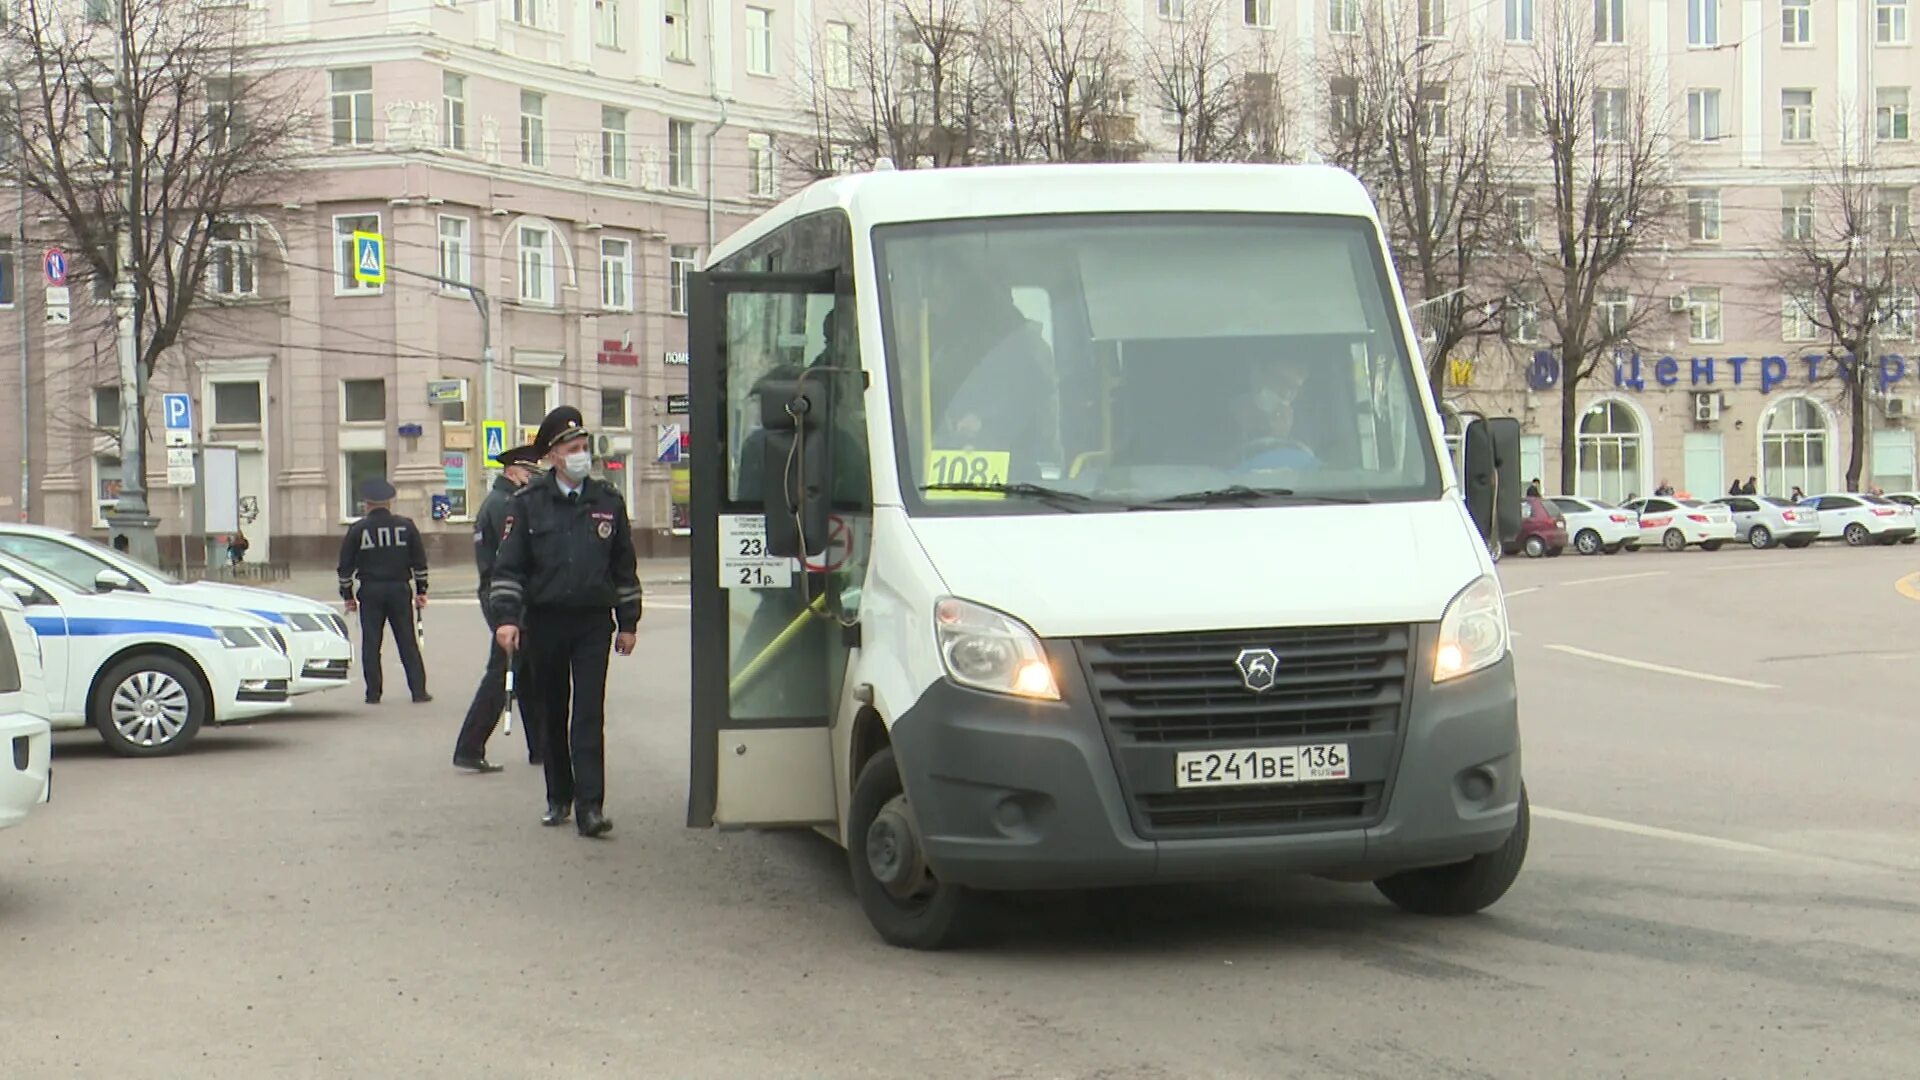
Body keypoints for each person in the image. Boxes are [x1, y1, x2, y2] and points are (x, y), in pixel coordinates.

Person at [489, 406, 642, 839]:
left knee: (588, 713)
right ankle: (560, 797)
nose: (581, 456)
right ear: (554, 455)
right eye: (572, 449)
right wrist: (506, 619)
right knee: (552, 711)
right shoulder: (528, 504)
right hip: (546, 621)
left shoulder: (607, 500)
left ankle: (591, 807)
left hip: (593, 622)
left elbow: (624, 566)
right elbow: (509, 568)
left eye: (584, 448)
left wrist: (628, 621)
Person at [452, 442, 547, 774]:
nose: (533, 479)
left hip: (500, 594)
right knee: (502, 671)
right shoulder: (507, 505)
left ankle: (541, 747)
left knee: (528, 673)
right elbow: (511, 558)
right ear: (512, 472)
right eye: (528, 472)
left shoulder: (498, 502)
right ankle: (469, 746)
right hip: (507, 597)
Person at [337, 477, 431, 705]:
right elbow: (419, 562)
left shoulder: (358, 529)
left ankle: (373, 693)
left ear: (367, 504)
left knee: (371, 643)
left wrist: (348, 596)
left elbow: (345, 567)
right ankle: (418, 691)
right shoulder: (406, 526)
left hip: (370, 591)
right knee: (407, 641)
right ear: (390, 503)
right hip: (399, 590)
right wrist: (421, 591)